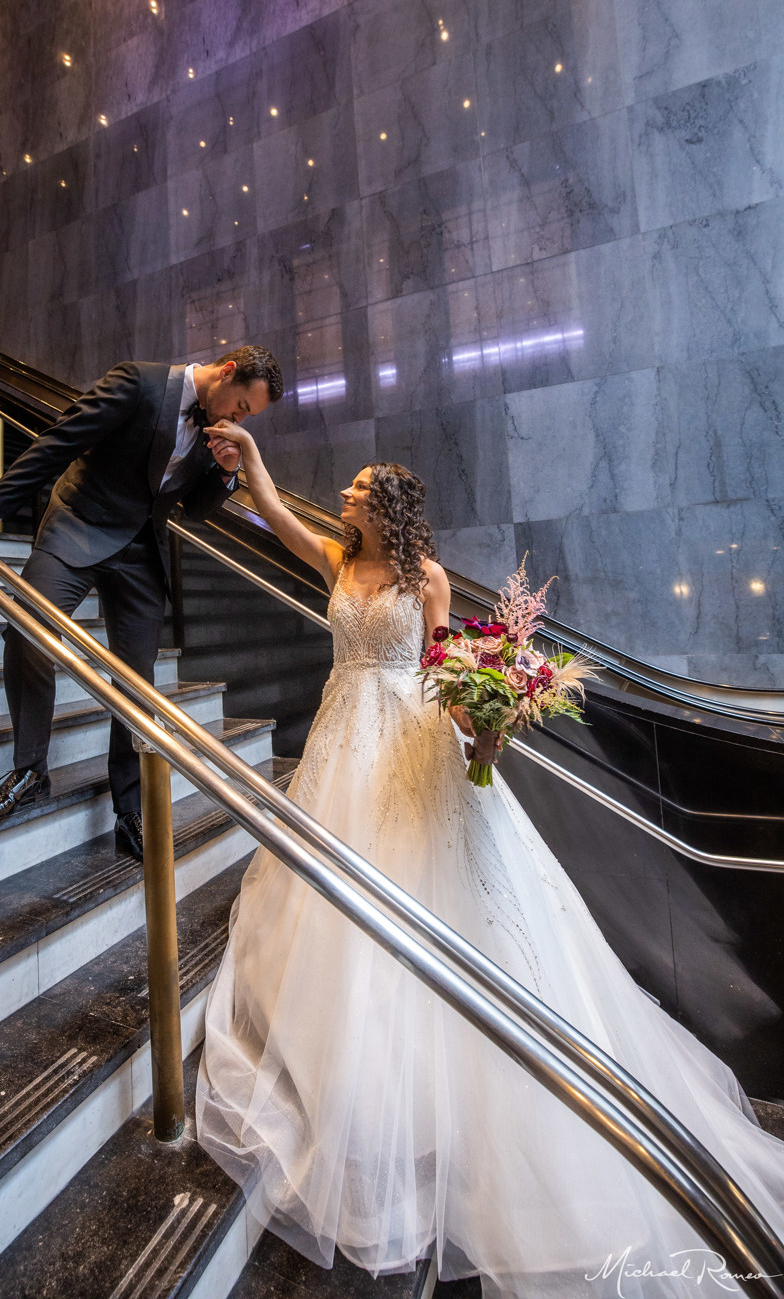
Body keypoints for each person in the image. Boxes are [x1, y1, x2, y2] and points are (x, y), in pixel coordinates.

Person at [194, 421, 784, 1297]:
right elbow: (273, 510)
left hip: (409, 740)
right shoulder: (334, 558)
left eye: (359, 488)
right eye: (350, 488)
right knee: (335, 894)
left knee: (430, 891)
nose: (347, 493)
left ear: (386, 505)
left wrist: (483, 716)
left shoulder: (423, 577)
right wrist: (250, 460)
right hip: (337, 741)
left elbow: (442, 660)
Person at [0, 346, 283, 858]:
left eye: (246, 417)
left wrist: (224, 472)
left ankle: (129, 807)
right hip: (79, 524)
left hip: (142, 549)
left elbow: (194, 510)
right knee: (26, 632)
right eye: (241, 407)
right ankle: (30, 770)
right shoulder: (138, 382)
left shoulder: (217, 430)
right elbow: (59, 442)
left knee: (136, 683)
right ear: (228, 372)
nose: (238, 420)